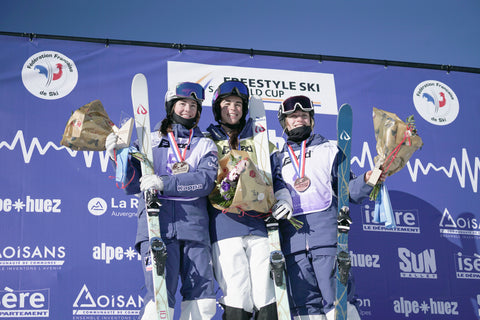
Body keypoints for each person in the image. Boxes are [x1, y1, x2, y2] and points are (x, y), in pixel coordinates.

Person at [105, 82, 218, 320]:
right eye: (182, 104)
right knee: (159, 301)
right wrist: (118, 156)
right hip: (157, 225)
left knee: (203, 301)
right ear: (171, 107)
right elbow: (132, 183)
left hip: (195, 230)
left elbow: (206, 181)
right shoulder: (150, 140)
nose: (188, 109)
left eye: (193, 105)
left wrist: (164, 183)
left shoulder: (205, 143)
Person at [275, 95, 380, 320]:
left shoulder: (330, 149)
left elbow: (347, 190)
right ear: (284, 122)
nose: (299, 120)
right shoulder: (276, 158)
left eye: (304, 115)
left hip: (326, 240)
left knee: (338, 299)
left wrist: (368, 180)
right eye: (293, 116)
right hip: (292, 244)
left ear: (312, 120)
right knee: (304, 306)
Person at [206, 80, 294, 320]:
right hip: (225, 226)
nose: (233, 108)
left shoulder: (263, 140)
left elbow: (276, 178)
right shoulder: (206, 140)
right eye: (227, 103)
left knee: (266, 295)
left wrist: (284, 198)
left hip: (261, 226)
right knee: (237, 294)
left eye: (238, 104)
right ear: (217, 107)